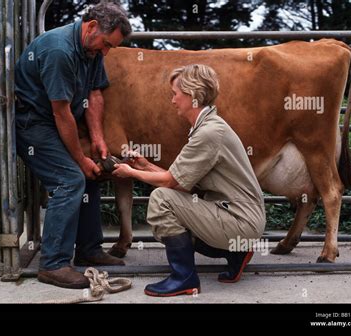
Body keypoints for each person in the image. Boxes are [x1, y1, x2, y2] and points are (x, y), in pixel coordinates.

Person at [112, 64, 266, 297]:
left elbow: (170, 183)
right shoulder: (208, 127)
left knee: (162, 200)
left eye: (175, 94)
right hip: (238, 217)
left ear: (192, 95)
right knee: (172, 201)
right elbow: (181, 181)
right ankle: (236, 253)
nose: (172, 100)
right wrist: (145, 166)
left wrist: (131, 173)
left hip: (240, 221)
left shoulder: (208, 133)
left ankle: (184, 278)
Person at [14, 2, 132, 289]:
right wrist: (81, 159)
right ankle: (53, 263)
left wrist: (98, 139)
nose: (105, 52)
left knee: (91, 176)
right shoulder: (59, 50)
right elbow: (61, 112)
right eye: (105, 44)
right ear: (91, 26)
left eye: (110, 48)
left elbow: (94, 92)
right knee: (70, 180)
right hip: (35, 126)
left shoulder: (91, 49)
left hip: (58, 123)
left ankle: (89, 249)